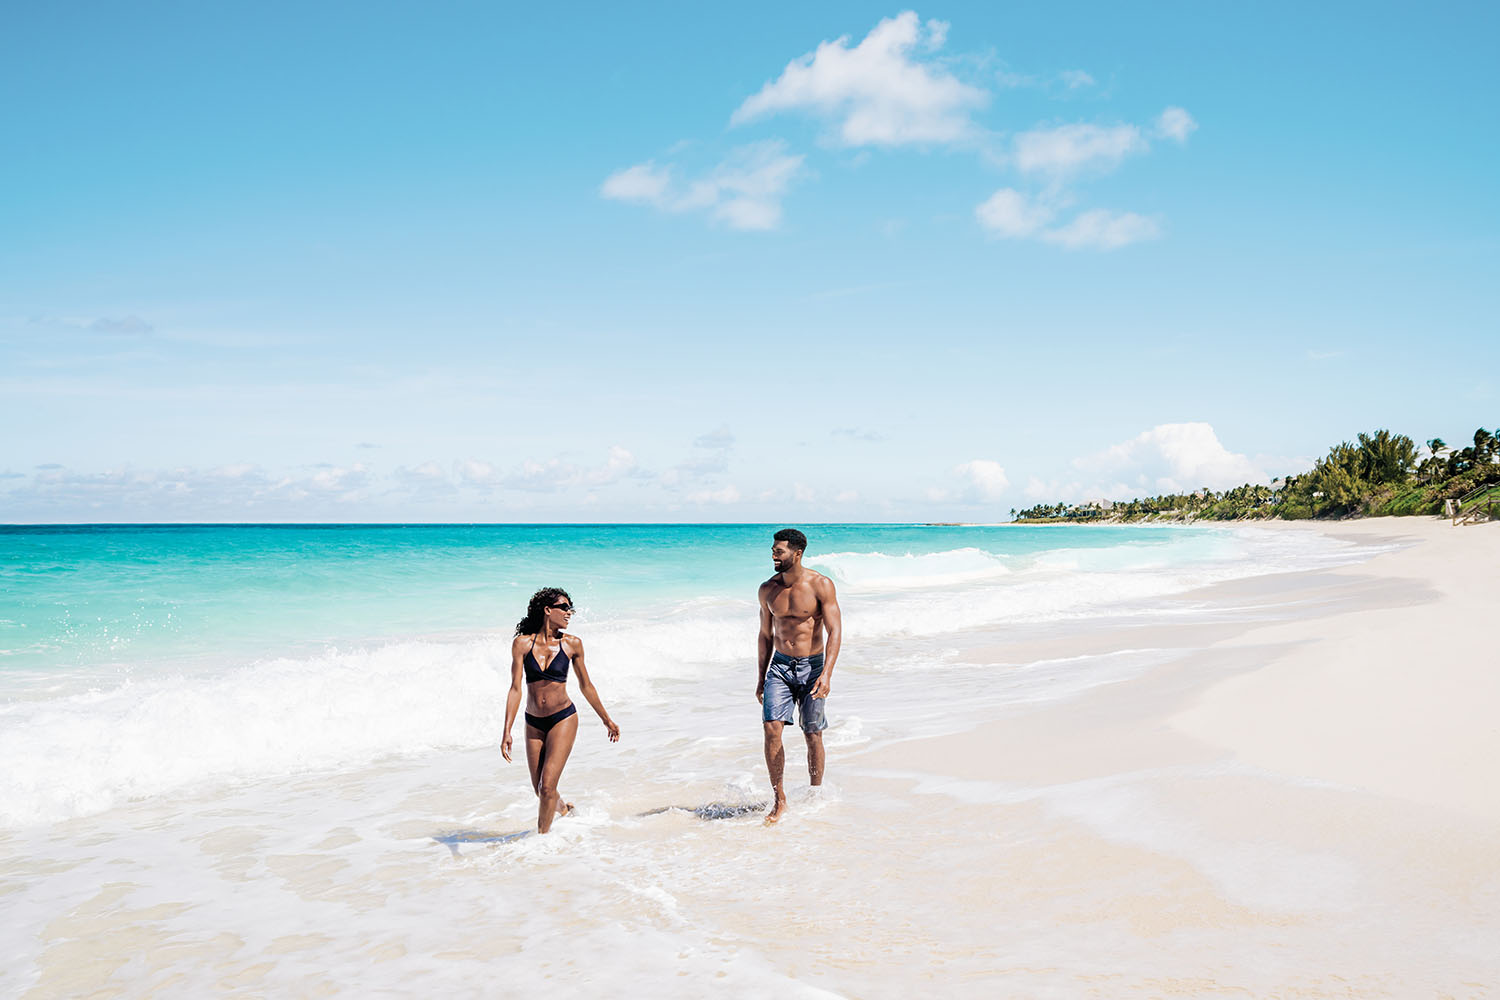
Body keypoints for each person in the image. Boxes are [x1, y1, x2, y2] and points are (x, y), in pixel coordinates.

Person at [501, 587, 620, 833]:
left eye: (570, 608)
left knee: (546, 788)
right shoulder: (522, 644)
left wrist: (606, 720)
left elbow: (586, 686)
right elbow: (515, 689)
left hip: (562, 718)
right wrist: (507, 730)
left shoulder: (572, 644)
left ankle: (541, 842)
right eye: (564, 607)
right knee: (541, 790)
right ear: (548, 610)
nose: (569, 613)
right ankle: (565, 810)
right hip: (533, 721)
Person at [756, 528, 842, 824]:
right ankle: (780, 800)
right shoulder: (768, 589)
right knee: (771, 728)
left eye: (778, 551)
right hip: (779, 668)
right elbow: (765, 635)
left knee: (812, 733)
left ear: (797, 553)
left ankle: (815, 792)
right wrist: (760, 679)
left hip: (812, 666)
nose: (773, 556)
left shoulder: (821, 585)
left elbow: (835, 631)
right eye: (772, 551)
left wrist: (827, 673)